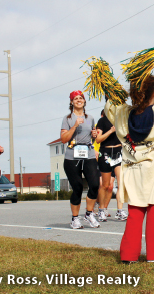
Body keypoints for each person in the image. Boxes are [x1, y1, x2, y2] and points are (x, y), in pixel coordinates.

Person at [105, 54, 154, 263]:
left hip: (131, 171)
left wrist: (106, 80)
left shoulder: (121, 114)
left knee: (135, 212)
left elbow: (111, 100)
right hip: (153, 169)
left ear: (132, 94)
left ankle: (129, 255)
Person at [60, 90, 101, 229]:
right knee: (77, 187)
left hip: (88, 153)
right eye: (76, 98)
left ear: (84, 101)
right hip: (72, 155)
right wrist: (75, 126)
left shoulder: (90, 118)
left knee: (95, 184)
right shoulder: (68, 119)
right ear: (71, 102)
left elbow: (93, 135)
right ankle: (75, 219)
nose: (79, 100)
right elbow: (64, 139)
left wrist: (94, 134)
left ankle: (89, 214)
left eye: (81, 98)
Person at [95, 109, 128, 222]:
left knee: (121, 183)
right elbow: (98, 139)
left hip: (118, 153)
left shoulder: (121, 120)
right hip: (106, 153)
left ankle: (120, 211)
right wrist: (110, 131)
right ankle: (101, 210)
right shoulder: (102, 121)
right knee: (105, 185)